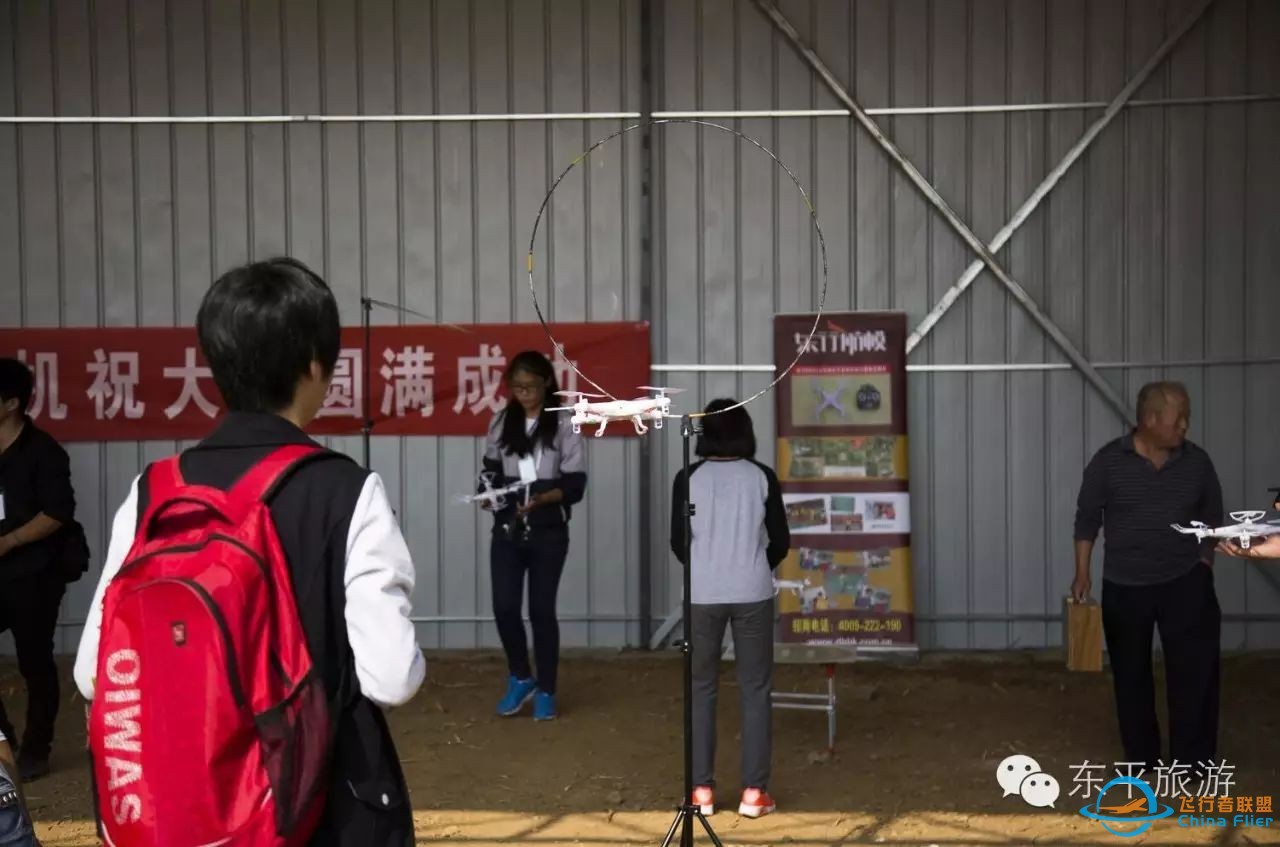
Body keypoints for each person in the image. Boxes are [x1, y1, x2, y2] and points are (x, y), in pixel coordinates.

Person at [72, 257, 426, 846]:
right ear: (317, 366)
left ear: (215, 366)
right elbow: (391, 678)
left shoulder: (152, 492)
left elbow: (93, 672)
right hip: (316, 810)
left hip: (181, 812)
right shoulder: (346, 490)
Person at [1072, 380, 1223, 775]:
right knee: (1131, 675)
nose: (1185, 426)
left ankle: (1193, 764)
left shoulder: (1198, 463)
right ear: (1151, 419)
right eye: (1179, 418)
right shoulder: (1108, 462)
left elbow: (1213, 515)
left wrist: (1204, 563)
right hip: (1126, 586)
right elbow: (1088, 519)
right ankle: (1143, 761)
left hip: (1186, 581)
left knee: (1194, 673)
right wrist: (1082, 573)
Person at [670, 398, 790, 819]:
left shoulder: (688, 477)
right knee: (755, 689)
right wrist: (753, 564)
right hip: (751, 592)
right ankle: (754, 794)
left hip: (702, 593)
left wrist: (708, 566)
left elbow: (677, 542)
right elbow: (781, 540)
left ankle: (701, 790)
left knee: (702, 688)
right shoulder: (762, 477)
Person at [482, 351, 586, 721]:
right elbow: (490, 471)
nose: (523, 394)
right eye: (516, 387)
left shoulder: (564, 423)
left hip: (548, 530)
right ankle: (520, 676)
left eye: (530, 386)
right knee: (504, 606)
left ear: (546, 383)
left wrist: (544, 498)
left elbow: (575, 486)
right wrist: (489, 495)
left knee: (541, 611)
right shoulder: (500, 422)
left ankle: (547, 690)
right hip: (508, 527)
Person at [0, 357, 79, 783]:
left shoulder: (43, 452)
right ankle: (4, 742)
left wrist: (8, 542)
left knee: (35, 663)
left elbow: (57, 512)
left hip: (33, 574)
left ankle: (36, 748)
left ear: (12, 403)